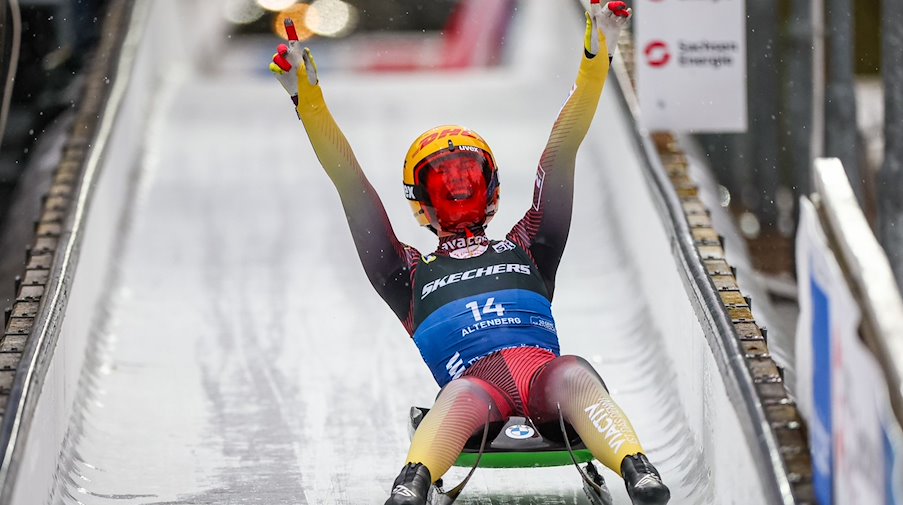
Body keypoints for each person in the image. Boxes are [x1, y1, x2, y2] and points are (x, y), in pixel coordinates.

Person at [269, 2, 670, 504]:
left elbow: (560, 152)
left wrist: (595, 58)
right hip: (477, 392)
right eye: (444, 184)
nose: (458, 190)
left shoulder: (529, 244)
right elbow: (352, 186)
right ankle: (409, 484)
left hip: (545, 378)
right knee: (459, 396)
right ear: (423, 205)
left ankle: (639, 470)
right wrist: (309, 102)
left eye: (468, 180)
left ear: (492, 192)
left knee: (573, 371)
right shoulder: (407, 274)